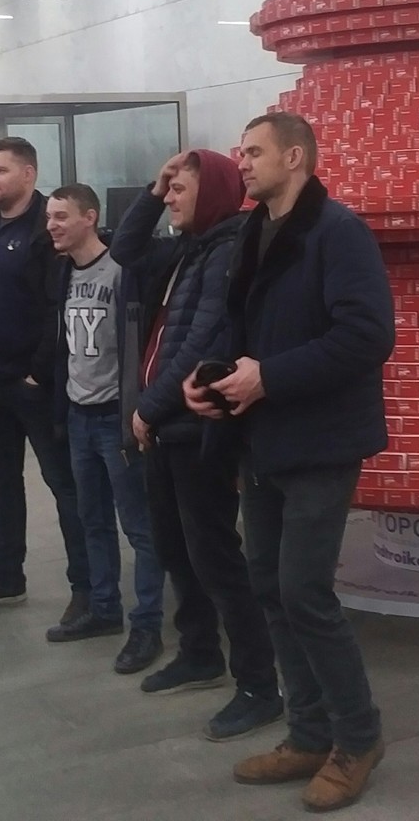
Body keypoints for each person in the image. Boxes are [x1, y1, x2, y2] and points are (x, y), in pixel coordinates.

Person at [185, 112, 395, 813]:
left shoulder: (338, 233)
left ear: (295, 157)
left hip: (320, 441)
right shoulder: (254, 231)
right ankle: (307, 733)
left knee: (305, 591)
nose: (240, 163)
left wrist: (268, 377)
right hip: (262, 438)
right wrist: (209, 381)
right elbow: (237, 328)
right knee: (268, 585)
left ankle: (357, 737)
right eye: (241, 152)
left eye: (254, 152)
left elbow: (368, 335)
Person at [110, 149, 284, 742]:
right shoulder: (188, 251)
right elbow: (125, 250)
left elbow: (203, 339)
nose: (171, 200)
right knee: (173, 546)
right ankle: (200, 651)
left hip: (196, 427)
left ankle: (259, 685)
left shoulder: (228, 252)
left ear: (209, 194)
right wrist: (154, 189)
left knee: (215, 554)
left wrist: (148, 407)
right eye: (169, 191)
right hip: (164, 426)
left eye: (181, 190)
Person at [0, 138, 90, 627]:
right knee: (1, 485)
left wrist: (40, 370)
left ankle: (87, 587)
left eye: (1, 171)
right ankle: (6, 575)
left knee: (64, 486)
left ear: (28, 174)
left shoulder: (47, 229)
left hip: (35, 387)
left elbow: (60, 306)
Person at [43, 183, 165, 673]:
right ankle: (103, 608)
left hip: (117, 417)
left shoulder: (121, 271)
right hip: (78, 413)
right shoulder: (61, 274)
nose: (51, 224)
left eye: (60, 216)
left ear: (89, 217)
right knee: (91, 519)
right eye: (48, 216)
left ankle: (147, 624)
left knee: (138, 526)